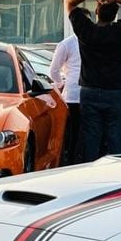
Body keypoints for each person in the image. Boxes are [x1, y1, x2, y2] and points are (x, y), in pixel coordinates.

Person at [66, 0, 121, 162]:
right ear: (115, 14)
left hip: (90, 91)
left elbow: (70, 2)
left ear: (96, 11)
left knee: (91, 139)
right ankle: (115, 175)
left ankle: (89, 173)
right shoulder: (120, 30)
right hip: (116, 92)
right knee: (116, 139)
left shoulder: (86, 30)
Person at [48, 30, 83, 165]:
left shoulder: (69, 44)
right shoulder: (67, 44)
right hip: (76, 95)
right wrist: (60, 83)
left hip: (76, 93)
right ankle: (74, 160)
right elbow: (53, 70)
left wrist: (60, 83)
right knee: (76, 131)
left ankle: (73, 160)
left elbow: (54, 70)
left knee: (74, 132)